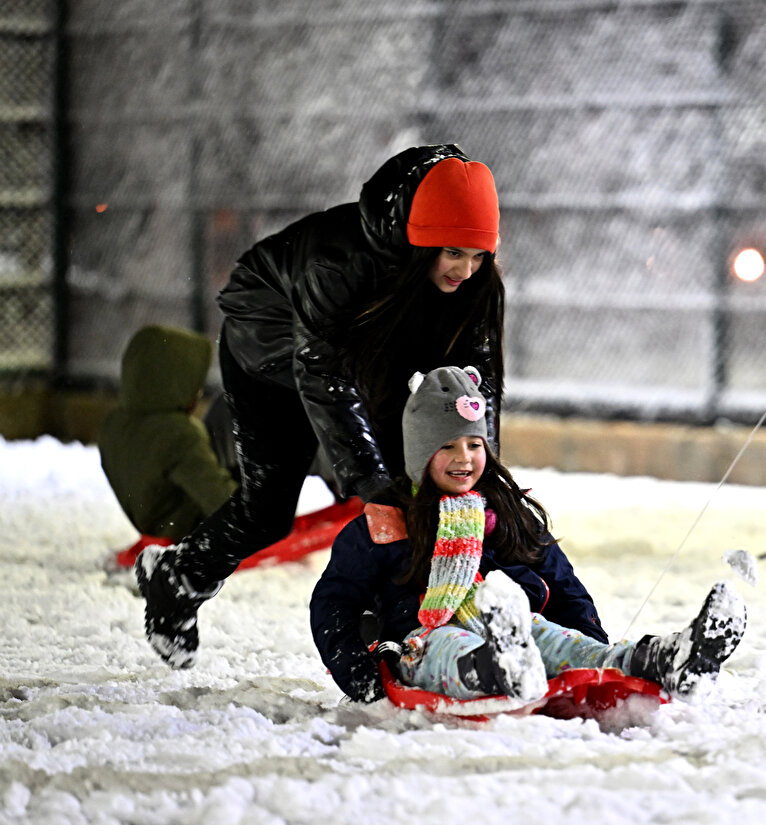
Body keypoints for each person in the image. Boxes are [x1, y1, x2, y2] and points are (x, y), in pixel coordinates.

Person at [135, 144, 506, 670]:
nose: (466, 271)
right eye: (452, 254)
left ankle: (420, 625)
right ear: (418, 240)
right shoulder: (338, 263)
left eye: (478, 256)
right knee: (269, 510)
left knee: (430, 480)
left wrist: (485, 466)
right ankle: (178, 578)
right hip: (272, 354)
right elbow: (323, 372)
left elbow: (476, 382)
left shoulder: (473, 282)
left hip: (365, 352)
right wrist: (370, 486)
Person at [310, 366, 747, 703]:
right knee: (448, 648)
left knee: (554, 640)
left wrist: (587, 642)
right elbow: (335, 602)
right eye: (446, 447)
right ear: (421, 455)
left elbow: (562, 583)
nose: (463, 458)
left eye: (474, 445)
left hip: (519, 627)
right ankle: (495, 667)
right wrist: (359, 671)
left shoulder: (507, 515)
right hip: (422, 641)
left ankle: (663, 660)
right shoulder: (387, 524)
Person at [98, 324, 238, 542]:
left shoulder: (114, 424)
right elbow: (220, 500)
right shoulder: (178, 434)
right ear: (173, 381)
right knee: (235, 406)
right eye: (192, 383)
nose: (198, 393)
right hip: (190, 527)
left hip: (156, 521)